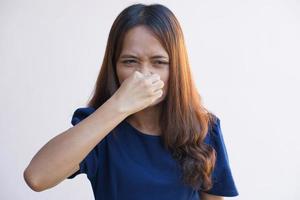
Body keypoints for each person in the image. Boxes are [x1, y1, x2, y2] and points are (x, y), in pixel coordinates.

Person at [23, 3, 239, 200]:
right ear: (114, 67)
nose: (143, 74)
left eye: (159, 62)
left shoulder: (203, 128)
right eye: (130, 61)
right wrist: (119, 106)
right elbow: (37, 177)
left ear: (176, 69)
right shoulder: (99, 127)